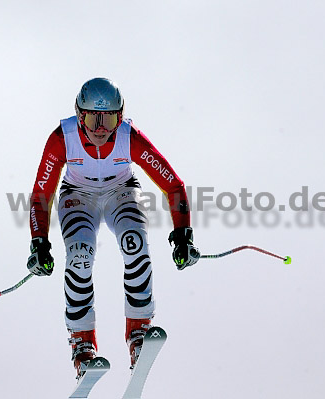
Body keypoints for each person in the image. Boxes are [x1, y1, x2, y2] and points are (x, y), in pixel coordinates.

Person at [26, 77, 200, 379]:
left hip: (121, 190)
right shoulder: (62, 137)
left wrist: (183, 234)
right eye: (93, 118)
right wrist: (39, 242)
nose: (101, 128)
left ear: (120, 116)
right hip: (78, 195)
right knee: (80, 256)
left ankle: (138, 333)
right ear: (80, 116)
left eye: (110, 118)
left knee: (136, 244)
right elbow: (42, 194)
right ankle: (82, 343)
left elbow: (173, 184)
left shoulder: (129, 137)